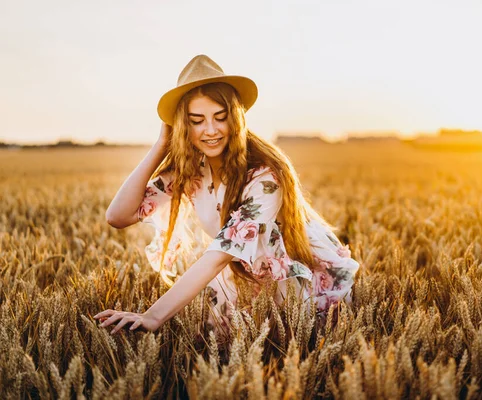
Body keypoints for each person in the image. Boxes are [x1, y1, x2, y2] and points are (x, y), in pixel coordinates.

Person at [93, 55, 360, 341]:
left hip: (292, 282)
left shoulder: (266, 176)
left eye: (221, 117)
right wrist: (161, 146)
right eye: (197, 121)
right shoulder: (191, 171)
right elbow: (118, 216)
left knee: (288, 351)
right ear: (183, 127)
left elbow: (220, 255)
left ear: (236, 118)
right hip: (243, 280)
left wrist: (153, 316)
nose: (210, 130)